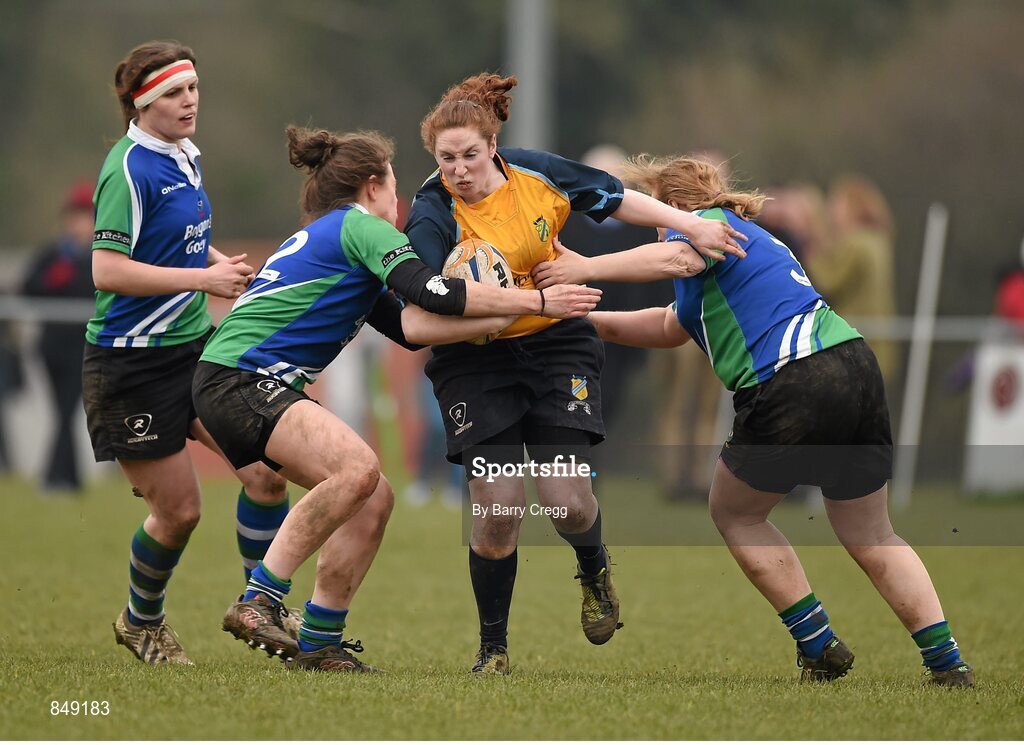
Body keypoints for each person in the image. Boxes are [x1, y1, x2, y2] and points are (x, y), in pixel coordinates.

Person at [534, 154, 974, 687]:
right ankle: (947, 663)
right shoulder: (745, 241)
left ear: (674, 208)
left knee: (735, 513)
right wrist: (577, 317)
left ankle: (817, 643)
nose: (658, 230)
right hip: (855, 366)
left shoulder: (711, 227)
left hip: (792, 378)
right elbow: (669, 325)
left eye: (656, 217)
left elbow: (679, 263)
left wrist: (584, 267)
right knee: (872, 531)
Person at [194, 125, 600, 672]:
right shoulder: (361, 227)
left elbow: (412, 327)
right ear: (371, 186)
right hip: (241, 380)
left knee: (373, 495)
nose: (400, 200)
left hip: (230, 381)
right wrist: (537, 300)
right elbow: (434, 291)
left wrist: (510, 314)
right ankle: (259, 597)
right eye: (393, 185)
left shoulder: (334, 236)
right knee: (357, 469)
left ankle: (320, 641)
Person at [399, 73, 746, 675]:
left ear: (494, 145)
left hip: (559, 344)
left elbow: (616, 196)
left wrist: (691, 225)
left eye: (470, 156)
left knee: (565, 501)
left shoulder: (533, 174)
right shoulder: (431, 213)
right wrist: (522, 301)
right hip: (476, 360)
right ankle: (494, 650)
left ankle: (594, 571)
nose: (458, 169)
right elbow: (420, 315)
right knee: (498, 505)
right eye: (445, 158)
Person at [83, 40, 290, 666]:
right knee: (179, 513)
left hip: (194, 351)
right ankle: (141, 622)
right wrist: (204, 281)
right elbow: (109, 269)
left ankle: (264, 606)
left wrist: (214, 260)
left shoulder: (184, 158)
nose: (190, 100)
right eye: (174, 92)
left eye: (194, 87)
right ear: (143, 103)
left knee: (264, 472)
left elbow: (172, 241)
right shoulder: (127, 169)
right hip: (131, 365)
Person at [20, 181, 97, 493]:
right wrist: (54, 278)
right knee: (62, 412)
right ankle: (67, 479)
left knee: (66, 410)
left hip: (85, 347)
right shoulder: (53, 253)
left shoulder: (100, 255)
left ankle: (56, 479)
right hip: (51, 347)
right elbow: (28, 287)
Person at [807, 175, 899, 385]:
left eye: (836, 204)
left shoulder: (854, 243)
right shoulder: (878, 240)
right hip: (880, 339)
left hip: (852, 336)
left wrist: (811, 258)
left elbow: (829, 282)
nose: (831, 211)